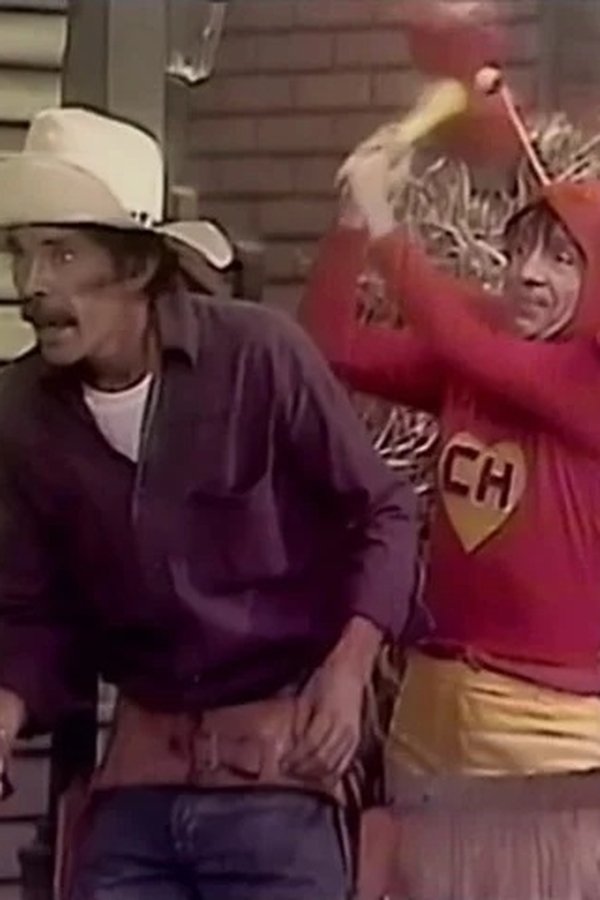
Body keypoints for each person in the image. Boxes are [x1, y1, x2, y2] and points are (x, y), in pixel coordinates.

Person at [0, 107, 418, 900]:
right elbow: (30, 609)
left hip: (278, 782)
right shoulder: (24, 411)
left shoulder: (258, 357)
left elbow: (386, 511)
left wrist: (348, 671)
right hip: (139, 784)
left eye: (61, 253)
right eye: (22, 254)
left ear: (134, 268)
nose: (33, 286)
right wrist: (6, 711)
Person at [300, 71, 600, 899]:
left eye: (564, 259)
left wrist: (389, 227)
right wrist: (353, 222)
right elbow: (332, 344)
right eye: (521, 250)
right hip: (431, 709)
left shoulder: (585, 378)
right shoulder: (486, 360)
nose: (529, 274)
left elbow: (459, 338)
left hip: (550, 732)